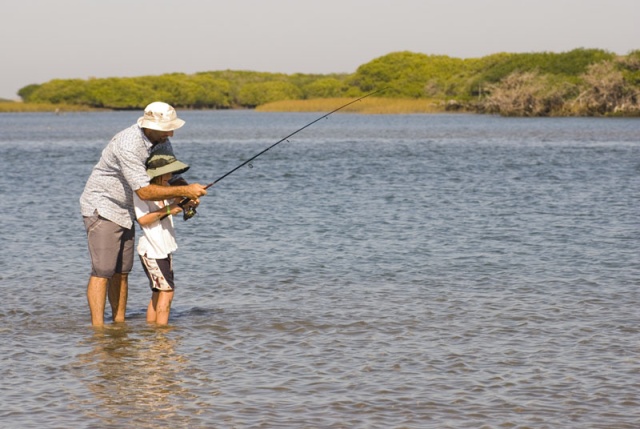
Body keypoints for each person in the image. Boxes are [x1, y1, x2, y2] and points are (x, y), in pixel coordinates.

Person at [80, 102, 207, 326]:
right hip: (104, 204)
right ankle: (98, 331)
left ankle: (119, 326)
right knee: (103, 270)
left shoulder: (162, 141)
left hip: (128, 209)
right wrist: (185, 190)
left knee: (122, 271)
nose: (171, 133)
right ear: (150, 126)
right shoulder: (128, 144)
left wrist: (187, 196)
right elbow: (145, 191)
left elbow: (171, 175)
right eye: (167, 128)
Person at [134, 150, 190, 325]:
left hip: (164, 249)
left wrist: (188, 203)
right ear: (156, 174)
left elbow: (181, 207)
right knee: (167, 291)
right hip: (152, 251)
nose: (171, 176)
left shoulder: (164, 191)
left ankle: (152, 332)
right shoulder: (142, 194)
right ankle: (162, 336)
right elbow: (143, 220)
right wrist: (168, 209)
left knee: (158, 292)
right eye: (167, 173)